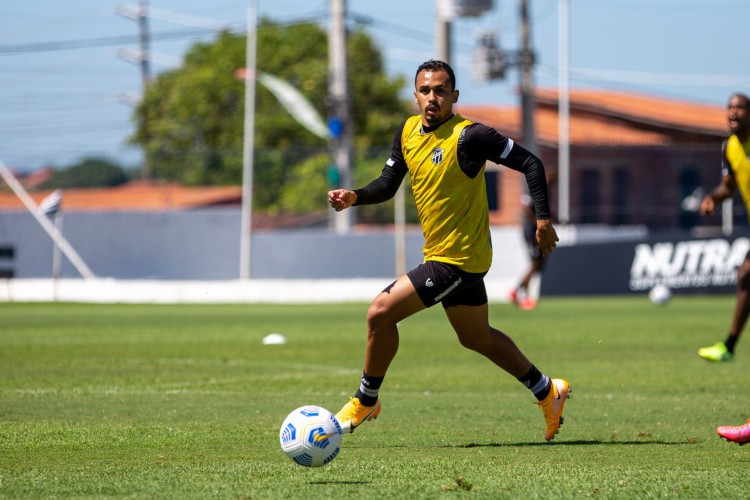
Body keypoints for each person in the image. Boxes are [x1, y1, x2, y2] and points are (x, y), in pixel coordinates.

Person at [327, 60, 570, 442]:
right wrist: (355, 196)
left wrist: (542, 221)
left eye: (441, 91)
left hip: (458, 261)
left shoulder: (470, 136)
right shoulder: (407, 131)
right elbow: (390, 183)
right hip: (446, 257)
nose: (432, 98)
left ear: (454, 97)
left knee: (379, 313)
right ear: (415, 96)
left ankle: (365, 399)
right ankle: (547, 391)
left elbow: (531, 163)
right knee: (476, 338)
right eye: (425, 90)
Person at [698, 92, 750, 362]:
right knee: (746, 277)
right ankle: (729, 346)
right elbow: (728, 187)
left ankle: (729, 345)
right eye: (730, 107)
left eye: (740, 107)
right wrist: (712, 198)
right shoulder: (729, 147)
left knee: (747, 274)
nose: (733, 112)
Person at [510, 171, 557, 311]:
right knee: (535, 264)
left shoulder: (548, 192)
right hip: (532, 231)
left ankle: (521, 292)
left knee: (540, 265)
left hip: (538, 231)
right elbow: (526, 209)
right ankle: (520, 293)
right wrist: (538, 222)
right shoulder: (537, 189)